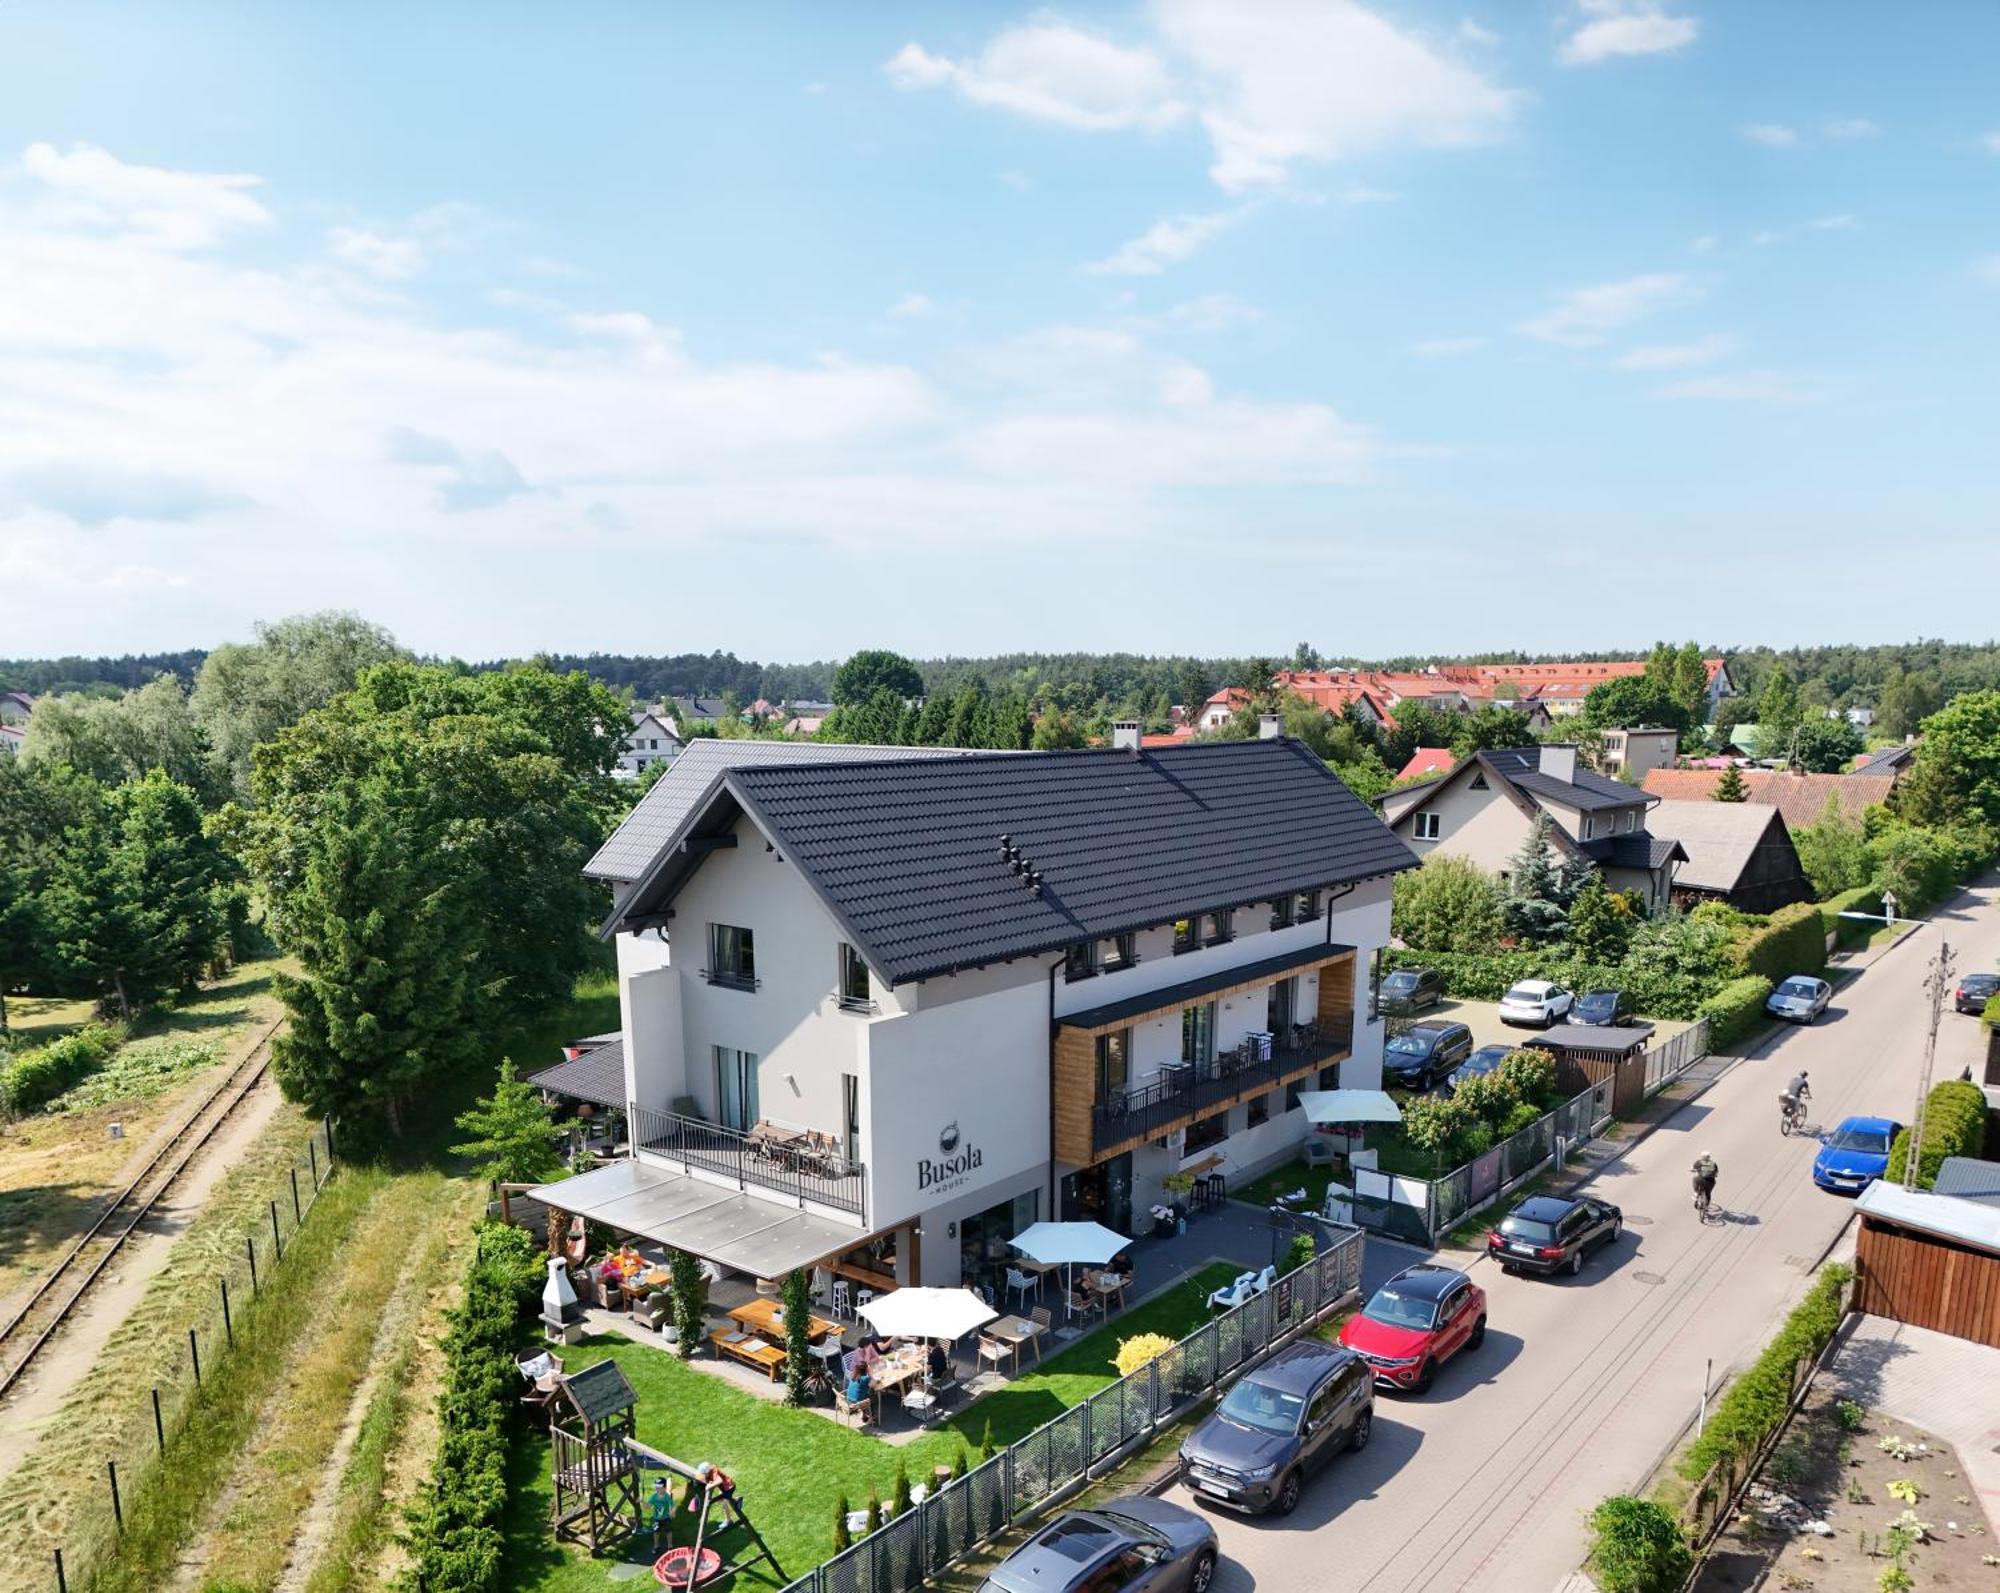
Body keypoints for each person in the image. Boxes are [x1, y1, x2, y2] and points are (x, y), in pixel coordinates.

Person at [647, 1475, 676, 1553]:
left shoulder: (667, 1497)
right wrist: (642, 1502)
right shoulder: (654, 1496)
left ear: (664, 1488)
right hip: (656, 1518)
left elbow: (673, 1505)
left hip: (666, 1518)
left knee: (668, 1531)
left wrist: (672, 1512)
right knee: (656, 1532)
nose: (657, 1489)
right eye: (656, 1487)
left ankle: (670, 1546)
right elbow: (648, 1506)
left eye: (659, 1487)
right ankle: (656, 1546)